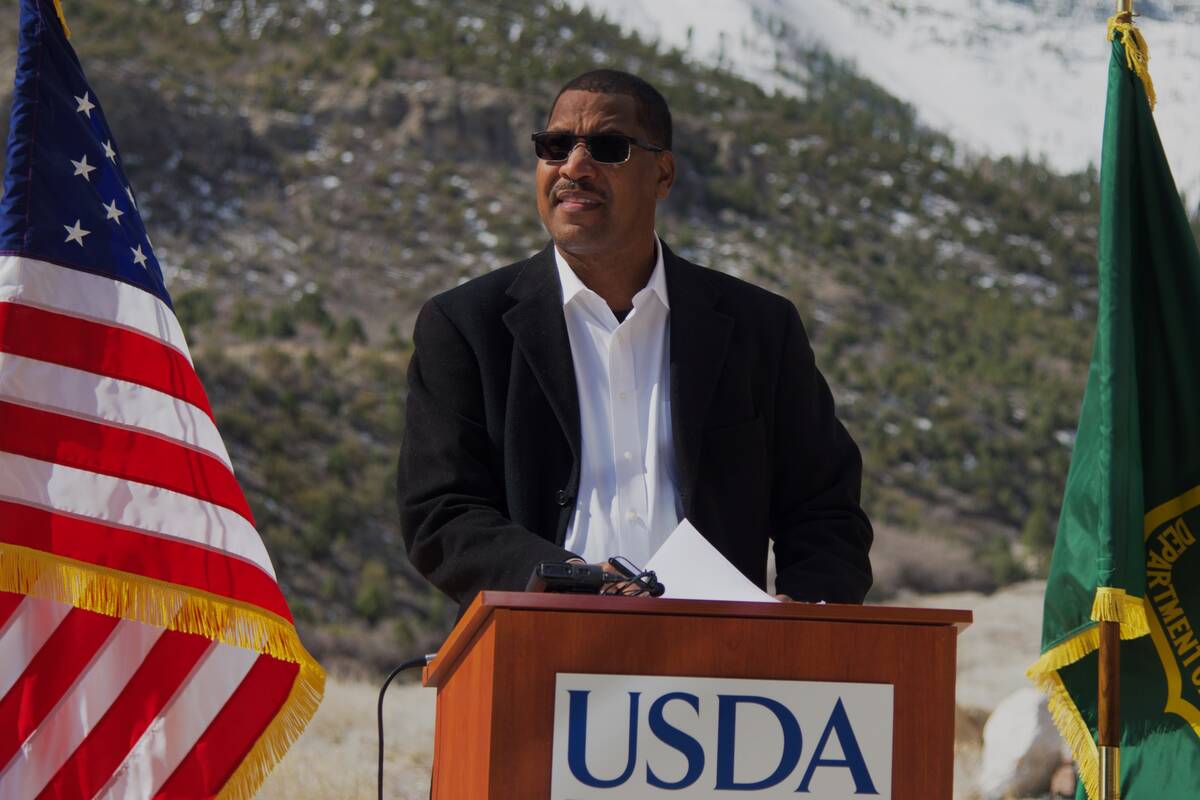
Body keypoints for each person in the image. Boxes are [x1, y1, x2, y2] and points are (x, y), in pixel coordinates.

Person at [398, 69, 872, 613]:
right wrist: (568, 580)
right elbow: (441, 512)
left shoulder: (759, 328)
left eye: (608, 147)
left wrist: (806, 612)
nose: (575, 167)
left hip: (721, 669)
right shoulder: (465, 326)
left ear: (663, 174)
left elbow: (825, 505)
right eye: (555, 146)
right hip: (536, 650)